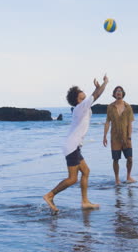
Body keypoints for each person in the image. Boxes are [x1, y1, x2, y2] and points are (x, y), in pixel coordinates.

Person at [43, 74, 109, 214]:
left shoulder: (83, 107)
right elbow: (96, 96)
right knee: (72, 179)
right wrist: (105, 83)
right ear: (77, 101)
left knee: (86, 171)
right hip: (71, 146)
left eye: (85, 97)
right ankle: (50, 195)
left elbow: (94, 96)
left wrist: (96, 89)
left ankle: (85, 202)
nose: (85, 99)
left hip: (74, 146)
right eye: (82, 97)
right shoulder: (80, 108)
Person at [103, 86, 136, 185]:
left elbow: (130, 123)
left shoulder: (128, 107)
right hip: (115, 138)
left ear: (123, 93)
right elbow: (107, 122)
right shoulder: (110, 107)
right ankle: (117, 179)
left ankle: (128, 176)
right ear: (114, 94)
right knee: (115, 159)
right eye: (117, 91)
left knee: (129, 158)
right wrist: (104, 136)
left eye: (120, 91)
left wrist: (129, 137)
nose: (118, 92)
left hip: (126, 137)